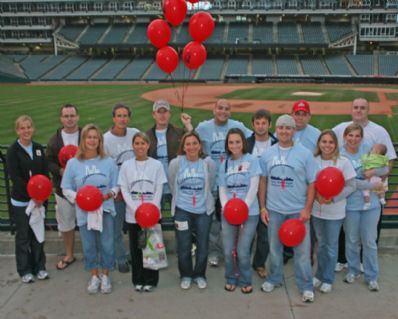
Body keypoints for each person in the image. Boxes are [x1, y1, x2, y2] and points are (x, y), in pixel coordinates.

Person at [333, 97, 397, 271]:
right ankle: (343, 259)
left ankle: (364, 263)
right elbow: (326, 144)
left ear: (368, 110)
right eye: (356, 107)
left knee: (370, 232)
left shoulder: (379, 131)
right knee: (346, 229)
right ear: (351, 109)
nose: (359, 110)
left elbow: (390, 158)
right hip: (349, 190)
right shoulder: (340, 128)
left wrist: (381, 177)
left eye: (362, 107)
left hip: (373, 189)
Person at [258, 114, 316, 303]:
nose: (284, 131)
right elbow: (263, 181)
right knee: (275, 249)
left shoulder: (305, 153)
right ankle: (274, 279)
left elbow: (312, 183)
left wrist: (307, 209)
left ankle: (306, 286)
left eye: (288, 128)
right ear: (276, 129)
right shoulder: (267, 154)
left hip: (297, 211)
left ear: (293, 131)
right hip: (274, 210)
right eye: (281, 127)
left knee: (302, 253)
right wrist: (262, 207)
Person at [61, 124, 118, 294]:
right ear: (83, 140)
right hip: (84, 210)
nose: (92, 140)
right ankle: (94, 274)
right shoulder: (73, 163)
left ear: (99, 140)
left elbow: (117, 185)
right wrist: (79, 197)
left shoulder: (109, 162)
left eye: (95, 137)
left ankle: (105, 274)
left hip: (105, 209)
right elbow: (65, 188)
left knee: (107, 244)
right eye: (89, 137)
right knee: (89, 245)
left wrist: (109, 195)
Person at [196, 99, 252, 267]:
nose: (223, 111)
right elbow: (191, 142)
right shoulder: (203, 127)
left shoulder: (238, 126)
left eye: (227, 109)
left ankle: (235, 250)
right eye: (220, 108)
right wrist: (187, 125)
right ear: (214, 110)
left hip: (234, 184)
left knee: (234, 218)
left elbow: (254, 137)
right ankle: (214, 251)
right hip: (213, 183)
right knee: (213, 221)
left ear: (230, 111)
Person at [340, 123, 387, 292]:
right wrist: (363, 183)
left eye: (357, 136)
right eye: (350, 135)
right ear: (345, 136)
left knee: (369, 241)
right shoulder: (340, 154)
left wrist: (373, 173)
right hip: (351, 204)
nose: (353, 139)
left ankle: (372, 276)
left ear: (361, 137)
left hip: (372, 204)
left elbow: (385, 168)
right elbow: (347, 183)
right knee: (351, 240)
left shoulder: (369, 149)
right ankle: (353, 270)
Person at [118, 132, 167, 292]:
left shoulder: (156, 165)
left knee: (151, 249)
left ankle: (151, 280)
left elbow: (159, 188)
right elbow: (124, 189)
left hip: (152, 214)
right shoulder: (126, 165)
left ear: (148, 145)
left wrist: (151, 209)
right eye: (137, 143)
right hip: (134, 215)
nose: (140, 146)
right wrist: (137, 209)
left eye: (143, 143)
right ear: (133, 146)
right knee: (136, 249)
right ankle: (138, 279)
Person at [168, 132, 216, 290]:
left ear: (200, 145)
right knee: (183, 245)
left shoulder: (207, 163)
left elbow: (211, 183)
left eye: (195, 143)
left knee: (203, 245)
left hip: (203, 210)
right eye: (188, 144)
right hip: (183, 210)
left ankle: (200, 274)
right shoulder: (176, 163)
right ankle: (186, 274)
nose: (191, 147)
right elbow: (172, 184)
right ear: (183, 146)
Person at [311, 130, 356, 293]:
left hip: (335, 212)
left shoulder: (343, 162)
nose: (327, 145)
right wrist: (316, 195)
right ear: (319, 144)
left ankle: (328, 278)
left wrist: (334, 198)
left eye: (331, 142)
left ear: (336, 144)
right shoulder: (313, 161)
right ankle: (319, 275)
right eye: (324, 141)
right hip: (316, 211)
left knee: (330, 246)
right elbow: (309, 183)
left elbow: (352, 186)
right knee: (320, 245)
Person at [7, 115, 49, 283]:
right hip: (22, 202)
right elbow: (16, 178)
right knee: (23, 236)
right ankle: (25, 270)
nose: (26, 130)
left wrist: (41, 197)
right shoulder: (13, 151)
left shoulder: (38, 148)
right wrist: (32, 196)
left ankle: (40, 267)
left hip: (39, 202)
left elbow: (44, 174)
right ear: (17, 130)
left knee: (38, 235)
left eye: (28, 127)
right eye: (22, 128)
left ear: (33, 128)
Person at [218, 128, 261, 294]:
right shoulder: (225, 163)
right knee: (228, 251)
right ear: (227, 145)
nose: (234, 145)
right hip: (228, 212)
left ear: (243, 142)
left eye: (237, 141)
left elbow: (254, 186)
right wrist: (227, 208)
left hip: (249, 213)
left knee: (243, 250)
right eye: (231, 142)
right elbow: (222, 188)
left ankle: (245, 279)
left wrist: (243, 208)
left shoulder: (252, 160)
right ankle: (230, 277)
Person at [104, 103, 139, 273]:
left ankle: (136, 254)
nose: (122, 119)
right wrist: (115, 190)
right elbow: (106, 169)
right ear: (113, 118)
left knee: (136, 226)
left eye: (125, 115)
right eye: (119, 116)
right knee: (116, 228)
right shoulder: (106, 139)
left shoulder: (134, 133)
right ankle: (121, 257)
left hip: (135, 190)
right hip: (117, 192)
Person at [46, 104, 80, 271]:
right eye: (66, 116)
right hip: (63, 189)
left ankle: (94, 253)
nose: (69, 119)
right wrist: (60, 170)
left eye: (72, 115)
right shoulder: (54, 140)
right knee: (66, 223)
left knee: (92, 222)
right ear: (61, 118)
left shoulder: (86, 134)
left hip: (86, 189)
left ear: (77, 117)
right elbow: (49, 161)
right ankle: (69, 254)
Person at [246, 109, 278, 278]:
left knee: (265, 234)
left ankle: (259, 263)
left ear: (269, 124)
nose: (260, 126)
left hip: (269, 193)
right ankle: (243, 260)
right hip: (249, 193)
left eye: (263, 123)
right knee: (247, 232)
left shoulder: (276, 143)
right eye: (257, 123)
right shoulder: (246, 143)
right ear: (253, 125)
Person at [146, 99, 193, 211]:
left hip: (177, 185)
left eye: (165, 111)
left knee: (180, 217)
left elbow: (194, 144)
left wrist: (188, 125)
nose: (162, 115)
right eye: (159, 112)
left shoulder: (179, 132)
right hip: (156, 186)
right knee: (155, 217)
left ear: (169, 114)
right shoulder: (147, 135)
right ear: (154, 114)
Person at [361, 143, 389, 209]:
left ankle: (367, 203)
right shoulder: (383, 158)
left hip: (368, 178)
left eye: (372, 149)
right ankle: (382, 198)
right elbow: (385, 166)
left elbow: (363, 160)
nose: (370, 150)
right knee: (380, 189)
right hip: (377, 178)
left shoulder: (369, 157)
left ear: (376, 151)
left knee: (365, 191)